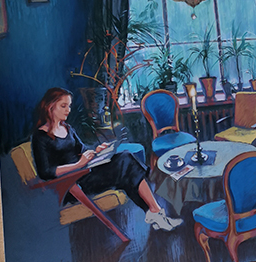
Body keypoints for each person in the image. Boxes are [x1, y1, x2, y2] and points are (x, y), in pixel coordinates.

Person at [31, 88, 182, 232]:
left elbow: (82, 150)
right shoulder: (40, 137)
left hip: (85, 171)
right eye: (63, 106)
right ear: (50, 107)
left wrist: (96, 150)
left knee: (126, 166)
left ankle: (155, 213)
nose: (68, 110)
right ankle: (156, 212)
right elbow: (45, 172)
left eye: (69, 106)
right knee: (126, 162)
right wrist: (78, 165)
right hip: (72, 184)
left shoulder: (68, 128)